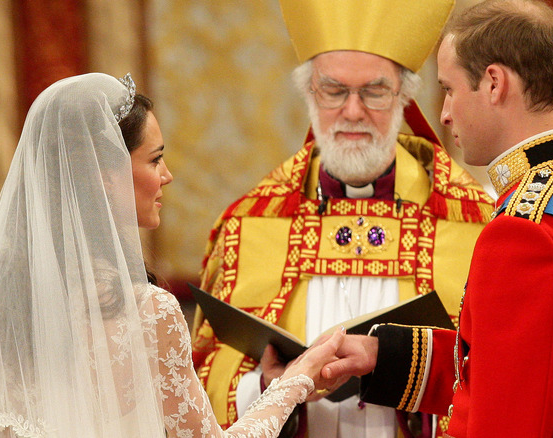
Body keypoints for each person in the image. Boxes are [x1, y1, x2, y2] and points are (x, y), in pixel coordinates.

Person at [0, 72, 344, 438]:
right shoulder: (149, 315)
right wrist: (297, 379)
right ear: (105, 175)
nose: (167, 175)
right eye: (155, 159)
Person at [321, 1, 553, 437]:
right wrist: (382, 355)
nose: (443, 113)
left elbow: (504, 420)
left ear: (494, 83)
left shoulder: (525, 234)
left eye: (449, 89)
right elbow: (514, 369)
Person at [191, 0, 493, 436]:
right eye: (334, 90)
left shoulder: (471, 224)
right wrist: (268, 388)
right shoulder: (250, 223)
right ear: (311, 93)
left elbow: (498, 375)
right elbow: (200, 377)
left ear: (403, 97)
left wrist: (408, 379)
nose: (353, 112)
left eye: (373, 91)